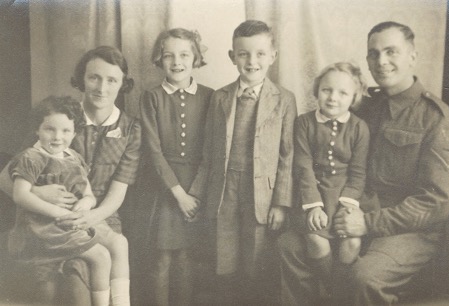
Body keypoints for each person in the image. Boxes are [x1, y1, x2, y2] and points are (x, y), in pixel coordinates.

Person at [278, 21, 449, 306]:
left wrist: (368, 223)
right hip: (350, 210)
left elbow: (436, 203)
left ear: (412, 56)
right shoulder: (365, 105)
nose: (381, 61)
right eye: (373, 53)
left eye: (391, 52)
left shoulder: (435, 117)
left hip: (406, 229)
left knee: (365, 277)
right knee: (290, 246)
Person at [0, 46, 141, 306]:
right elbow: (6, 177)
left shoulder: (130, 128)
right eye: (94, 77)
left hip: (101, 215)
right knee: (75, 287)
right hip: (48, 215)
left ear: (123, 84)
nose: (102, 88)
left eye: (112, 80)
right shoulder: (58, 120)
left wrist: (89, 215)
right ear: (81, 79)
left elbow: (117, 193)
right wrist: (37, 193)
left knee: (113, 250)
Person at [189, 20, 297, 304]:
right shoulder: (221, 97)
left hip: (261, 190)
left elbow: (288, 155)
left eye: (260, 53)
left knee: (255, 254)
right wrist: (197, 193)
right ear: (232, 57)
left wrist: (280, 203)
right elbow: (209, 152)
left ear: (273, 56)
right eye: (244, 54)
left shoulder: (284, 99)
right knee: (224, 253)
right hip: (225, 187)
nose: (252, 61)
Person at [136, 28, 213, 306]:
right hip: (164, 187)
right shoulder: (152, 97)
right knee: (162, 258)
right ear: (159, 59)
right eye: (169, 56)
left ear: (196, 58)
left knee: (186, 257)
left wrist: (196, 194)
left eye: (184, 55)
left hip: (197, 188)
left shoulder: (210, 96)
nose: (177, 62)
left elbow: (211, 151)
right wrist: (179, 195)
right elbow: (153, 151)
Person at [293, 62, 369, 293]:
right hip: (314, 192)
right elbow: (303, 167)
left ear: (354, 97)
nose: (333, 98)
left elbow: (358, 172)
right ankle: (329, 290)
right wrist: (313, 206)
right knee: (316, 239)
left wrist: (348, 204)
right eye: (327, 90)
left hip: (345, 194)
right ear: (317, 91)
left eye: (343, 92)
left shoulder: (359, 128)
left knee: (352, 241)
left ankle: (339, 292)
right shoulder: (304, 123)